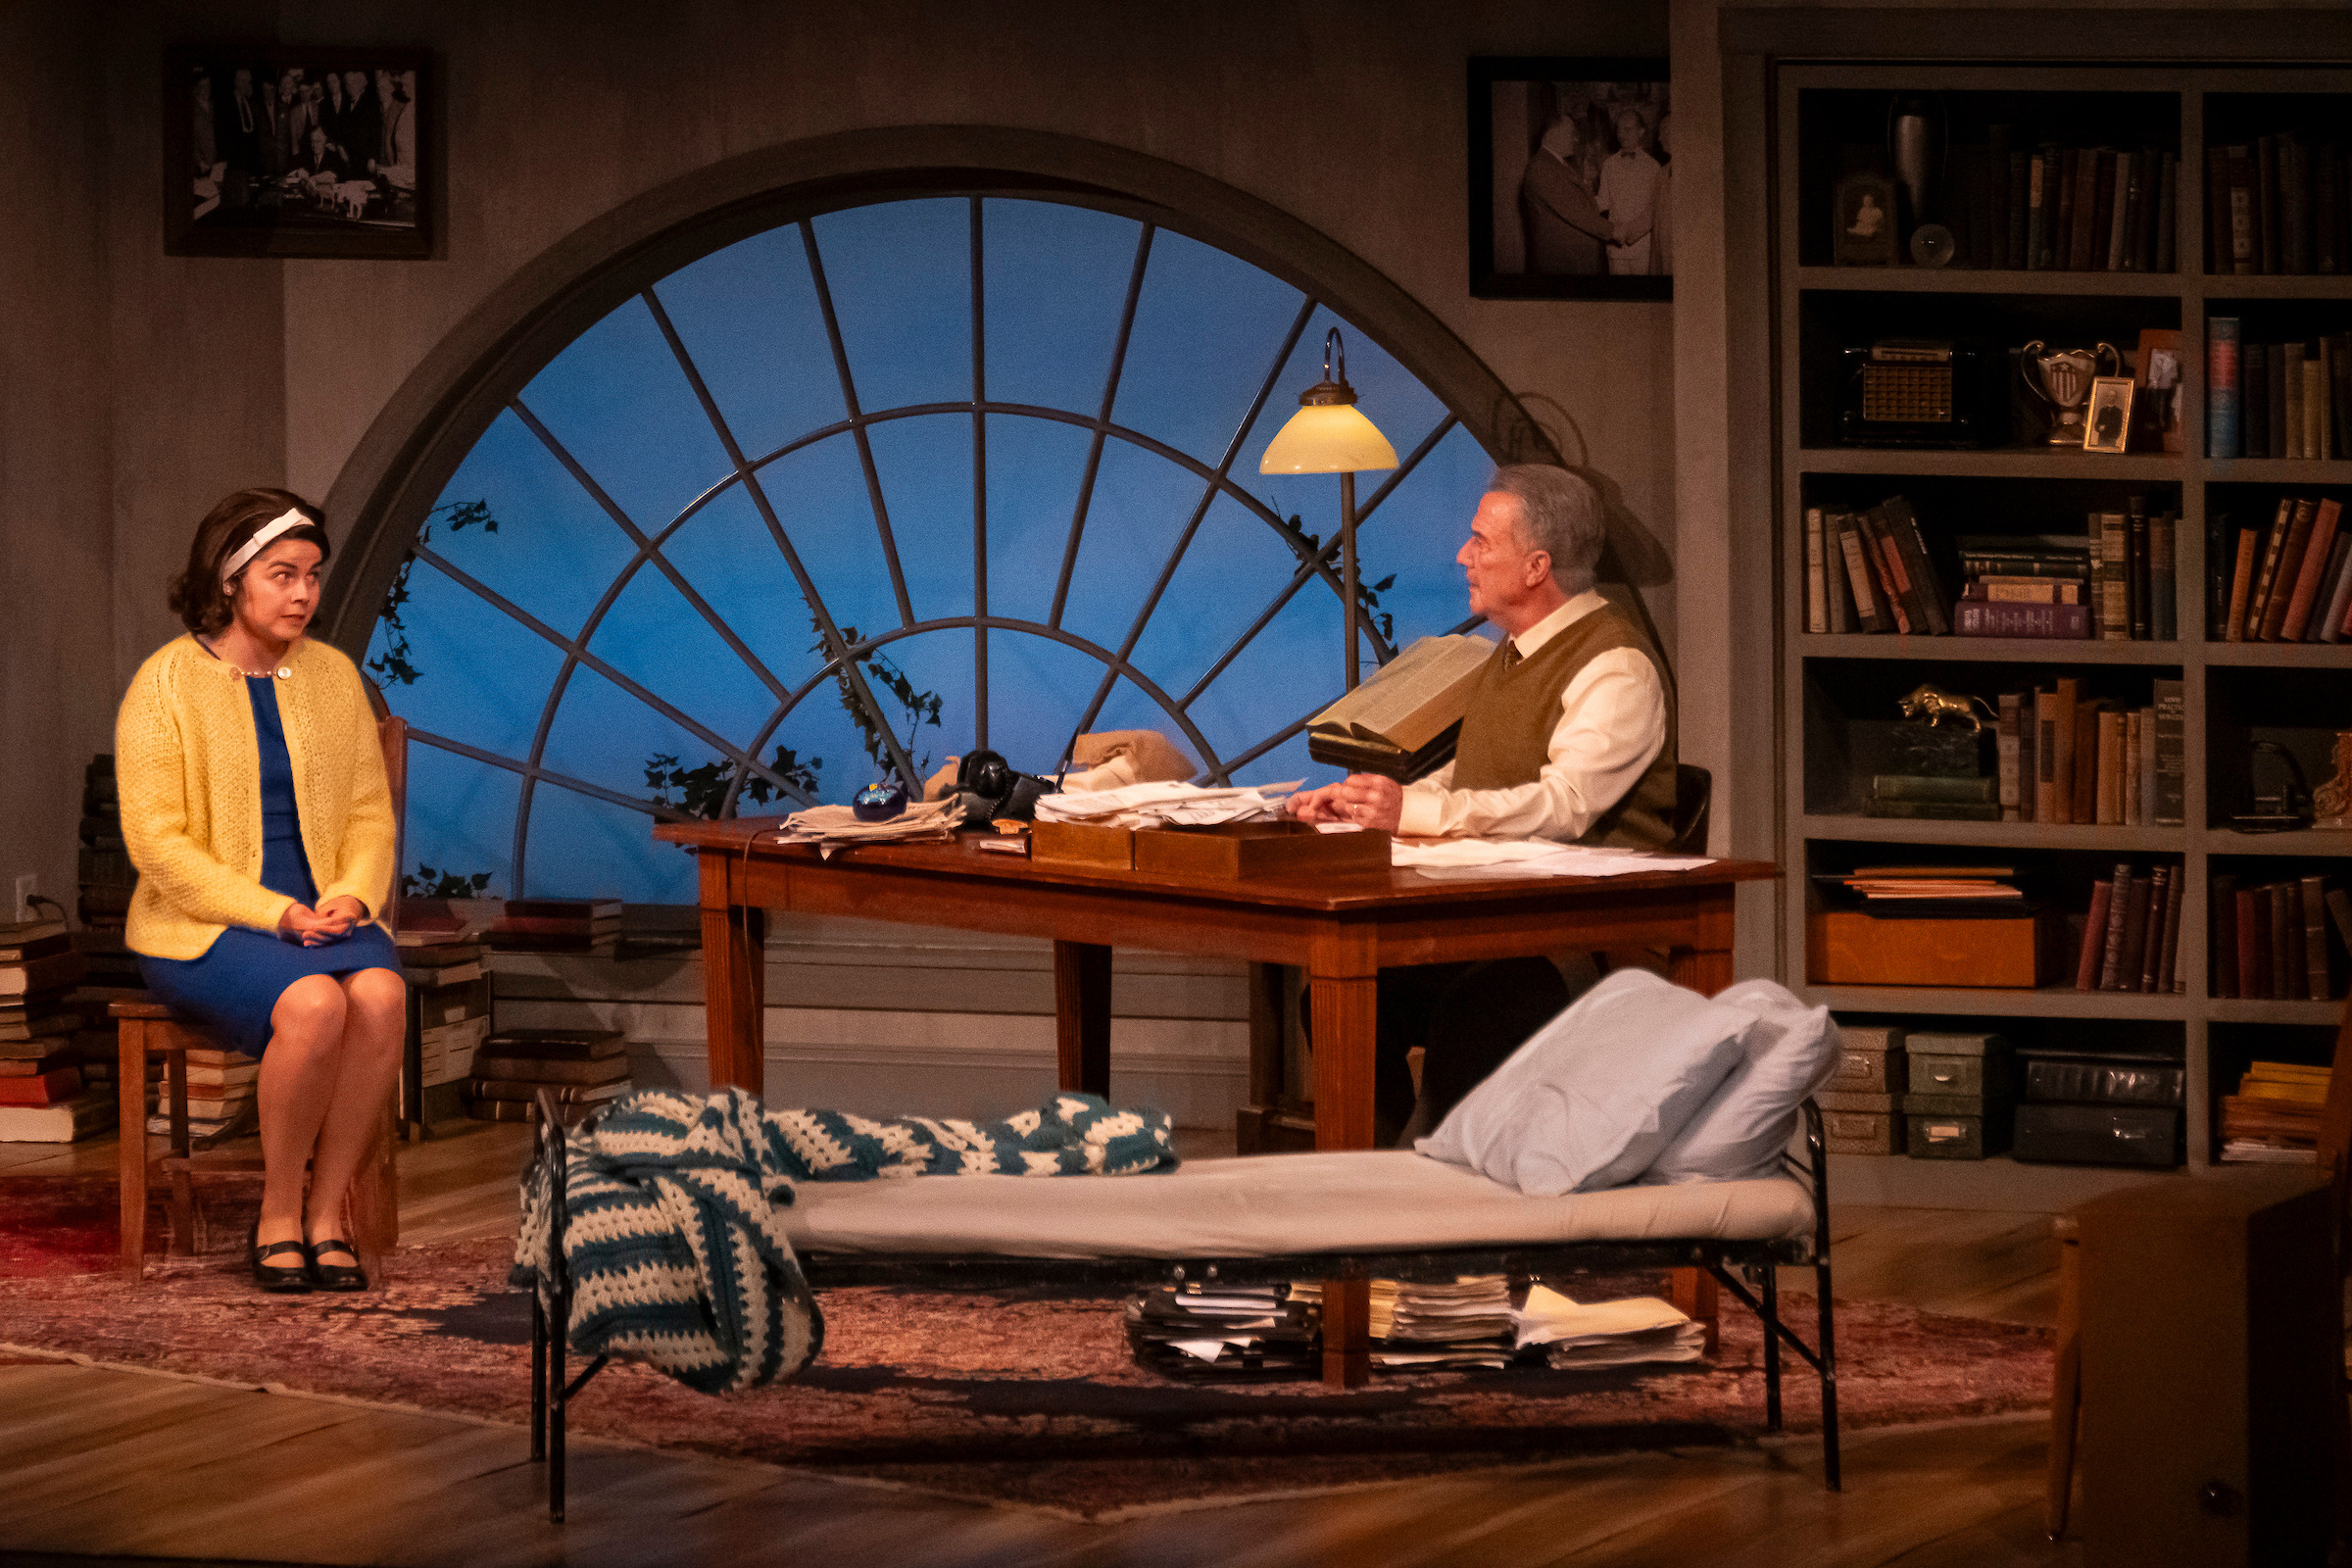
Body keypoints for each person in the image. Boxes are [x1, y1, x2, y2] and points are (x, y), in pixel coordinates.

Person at [1289, 466, 1676, 1140]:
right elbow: (1473, 776)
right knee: (1339, 995)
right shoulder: (1513, 653)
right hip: (1497, 924)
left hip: (1580, 939)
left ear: (1536, 567)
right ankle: (1366, 1175)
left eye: (1480, 542)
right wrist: (1370, 804)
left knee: (1477, 1010)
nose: (1463, 555)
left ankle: (1434, 1183)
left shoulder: (1615, 665)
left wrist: (1416, 814)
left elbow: (1565, 805)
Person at [117, 490, 406, 1294]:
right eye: (283, 575)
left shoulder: (333, 677)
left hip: (326, 914)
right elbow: (158, 847)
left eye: (312, 575)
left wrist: (353, 896)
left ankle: (327, 1213)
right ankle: (278, 1214)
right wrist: (274, 913)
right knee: (314, 1003)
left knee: (381, 995)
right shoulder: (164, 684)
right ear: (231, 579)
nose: (303, 593)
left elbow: (367, 816)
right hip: (203, 925)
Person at [1519, 113, 1608, 275]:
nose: (1576, 139)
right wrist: (1614, 231)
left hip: (1575, 261)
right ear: (1552, 134)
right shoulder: (1541, 168)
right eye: (1572, 133)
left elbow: (1578, 202)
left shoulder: (1558, 164)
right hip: (1563, 263)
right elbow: (1575, 212)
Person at [1597, 107, 1664, 274]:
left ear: (1641, 132)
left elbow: (1656, 208)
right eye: (1619, 129)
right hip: (1616, 247)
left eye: (1627, 129)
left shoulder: (1653, 167)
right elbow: (1603, 201)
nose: (1622, 134)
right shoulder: (1608, 165)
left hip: (1643, 247)